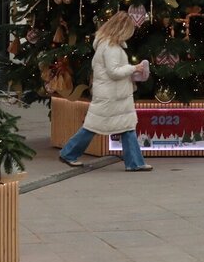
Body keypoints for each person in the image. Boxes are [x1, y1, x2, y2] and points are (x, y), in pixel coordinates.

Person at [59, 12, 152, 171]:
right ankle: (69, 153)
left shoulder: (107, 45)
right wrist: (133, 68)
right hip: (112, 96)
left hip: (112, 95)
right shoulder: (111, 47)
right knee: (96, 127)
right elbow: (114, 72)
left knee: (120, 127)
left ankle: (134, 163)